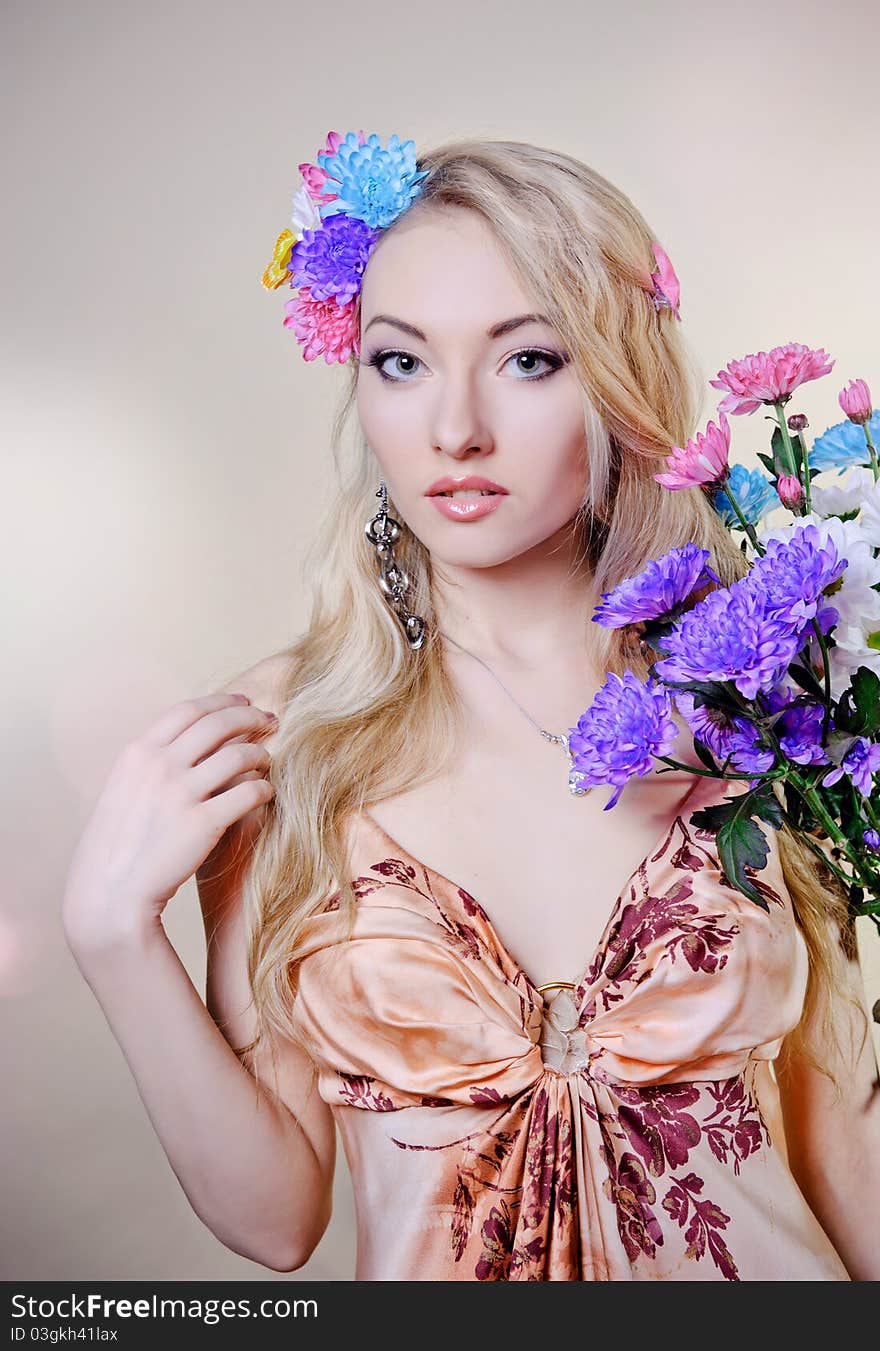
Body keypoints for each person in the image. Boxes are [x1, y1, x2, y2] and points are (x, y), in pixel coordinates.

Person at [62, 134, 879, 1282]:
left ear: (617, 375)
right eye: (401, 363)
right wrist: (113, 940)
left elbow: (843, 1151)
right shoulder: (286, 738)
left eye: (527, 359)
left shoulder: (759, 687)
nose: (455, 429)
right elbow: (275, 1218)